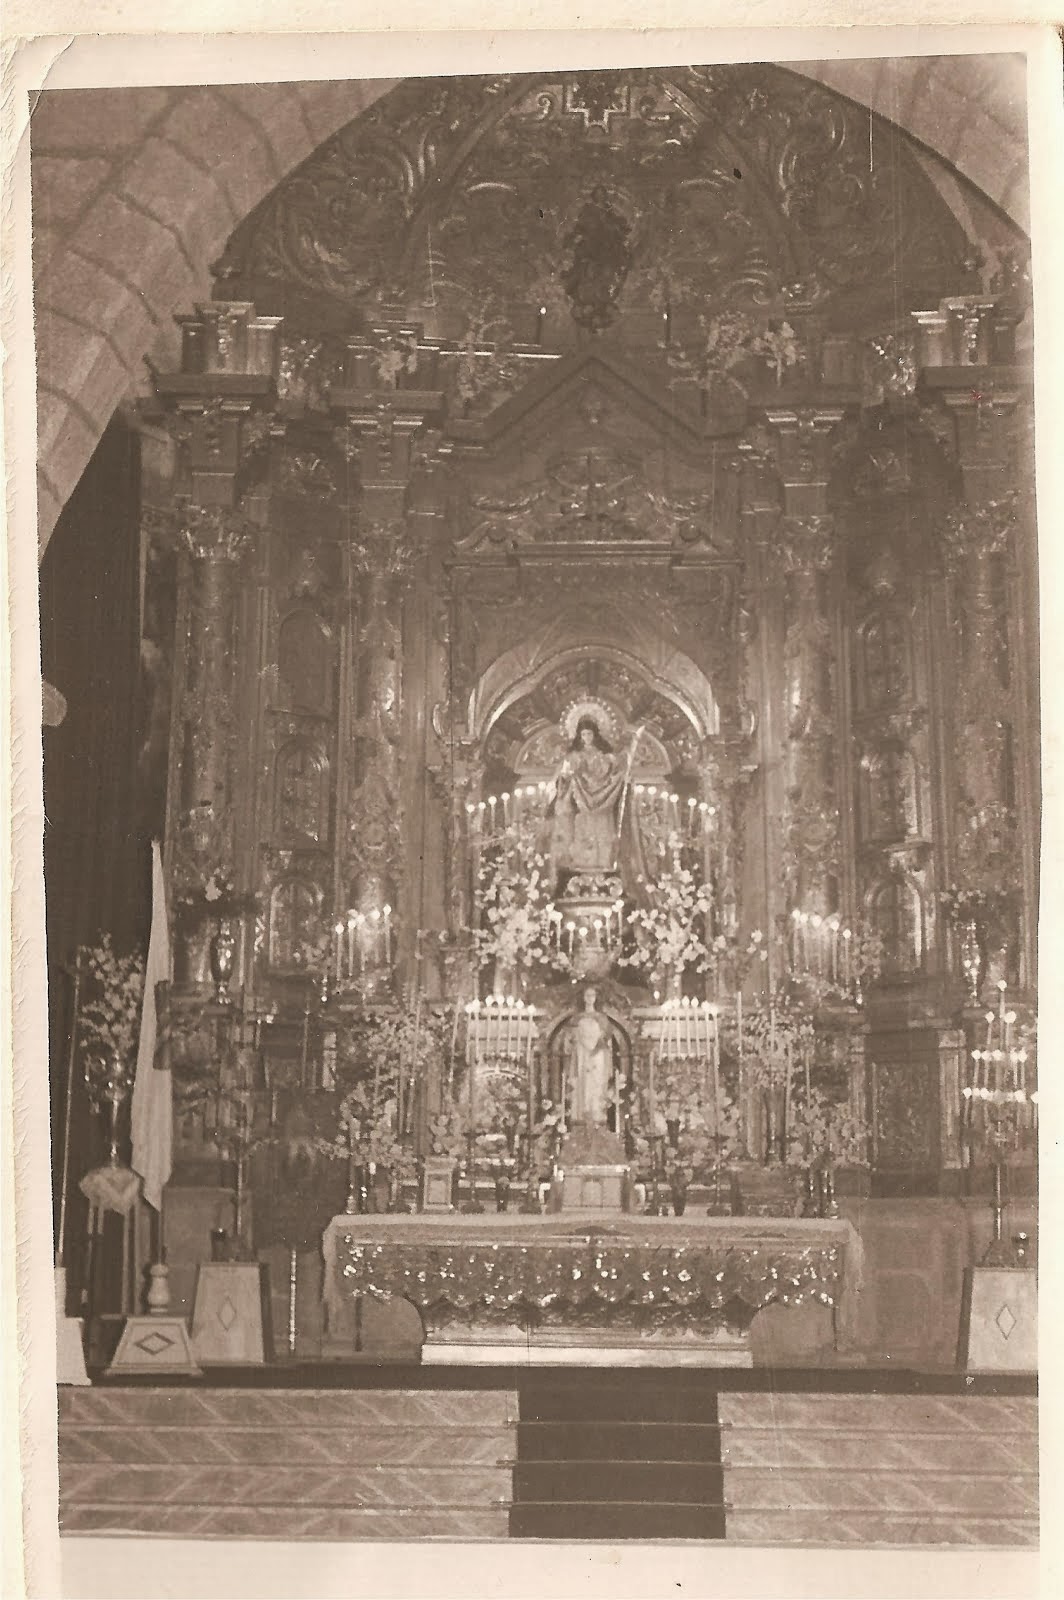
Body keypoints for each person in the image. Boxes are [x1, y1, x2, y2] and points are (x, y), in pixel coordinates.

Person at [548, 716, 627, 882]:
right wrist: (565, 778)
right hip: (580, 805)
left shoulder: (605, 757)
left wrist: (620, 776)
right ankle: (581, 873)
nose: (586, 738)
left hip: (604, 803)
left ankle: (605, 871)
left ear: (595, 735)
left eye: (589, 734)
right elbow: (563, 781)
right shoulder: (573, 757)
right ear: (578, 736)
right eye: (583, 734)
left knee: (603, 836)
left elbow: (612, 777)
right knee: (582, 837)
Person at [566, 986, 617, 1126]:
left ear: (596, 997)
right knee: (583, 1084)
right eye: (587, 995)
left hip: (597, 1055)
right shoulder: (577, 1018)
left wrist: (596, 1048)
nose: (589, 998)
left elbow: (606, 1039)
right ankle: (582, 1115)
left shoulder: (601, 1018)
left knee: (596, 1084)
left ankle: (597, 1116)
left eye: (592, 995)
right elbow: (571, 1039)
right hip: (582, 1055)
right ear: (583, 997)